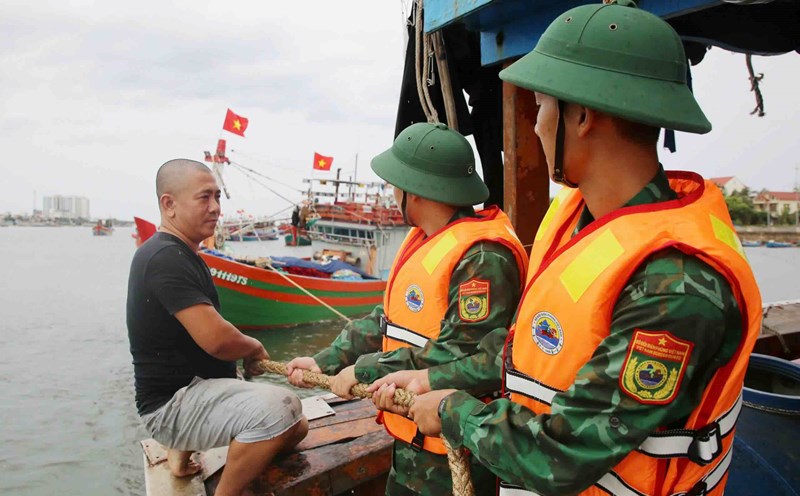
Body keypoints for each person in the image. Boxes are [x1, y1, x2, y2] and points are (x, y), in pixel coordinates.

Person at [371, 2, 762, 495]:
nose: (535, 125)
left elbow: (566, 451)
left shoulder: (676, 281)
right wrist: (431, 380)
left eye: (541, 107)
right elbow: (527, 348)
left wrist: (453, 412)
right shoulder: (578, 220)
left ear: (583, 117)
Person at [285, 122, 528, 495]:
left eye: (395, 182)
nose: (391, 190)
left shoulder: (482, 259)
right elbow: (390, 323)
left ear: (415, 191)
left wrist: (365, 370)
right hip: (409, 443)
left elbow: (466, 352)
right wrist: (327, 360)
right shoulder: (425, 240)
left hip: (452, 452)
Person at [126, 159, 308, 496]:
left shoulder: (182, 253)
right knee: (283, 407)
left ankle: (179, 454)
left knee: (297, 427)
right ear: (169, 205)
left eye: (218, 197)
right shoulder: (165, 258)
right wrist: (254, 347)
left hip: (194, 390)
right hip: (171, 407)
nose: (216, 208)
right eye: (204, 198)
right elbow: (217, 340)